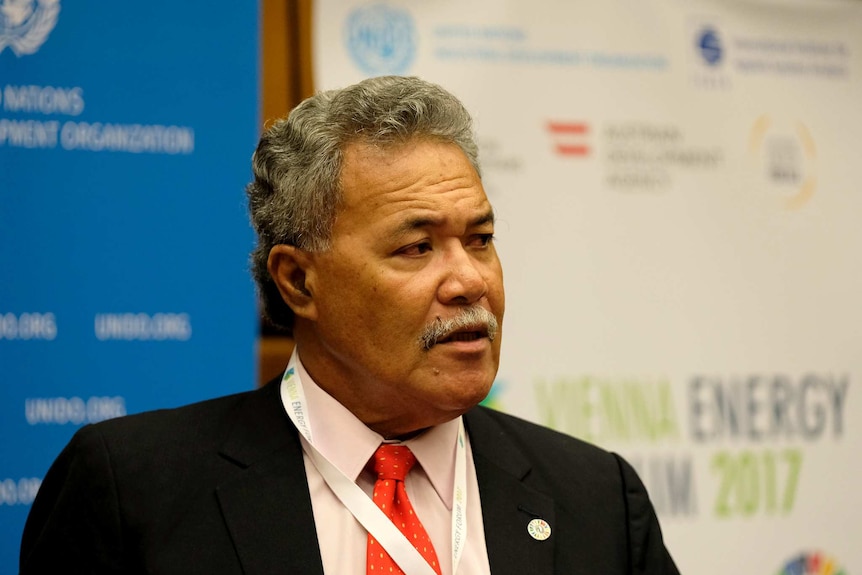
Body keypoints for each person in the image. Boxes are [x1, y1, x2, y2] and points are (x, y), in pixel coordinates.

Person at [20, 76, 680, 575]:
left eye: (479, 239)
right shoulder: (131, 491)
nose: (470, 280)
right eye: (416, 248)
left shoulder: (596, 499)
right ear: (299, 280)